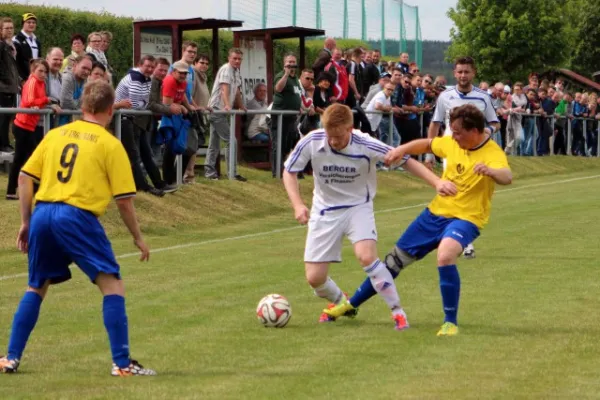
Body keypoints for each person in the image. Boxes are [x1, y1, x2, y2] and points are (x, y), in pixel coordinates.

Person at [0, 80, 155, 376]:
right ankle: (122, 364)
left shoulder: (55, 135)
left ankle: (11, 358)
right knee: (112, 284)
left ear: (82, 106)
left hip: (43, 213)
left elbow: (23, 178)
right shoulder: (110, 144)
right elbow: (124, 201)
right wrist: (138, 237)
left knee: (37, 285)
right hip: (77, 216)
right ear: (111, 110)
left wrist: (26, 222)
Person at [324, 104, 512, 336]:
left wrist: (491, 172)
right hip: (435, 214)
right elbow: (426, 144)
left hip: (467, 218)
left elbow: (507, 176)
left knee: (445, 255)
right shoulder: (452, 143)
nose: (453, 136)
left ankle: (450, 322)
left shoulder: (492, 153)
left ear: (474, 131)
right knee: (393, 262)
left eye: (458, 132)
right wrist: (401, 149)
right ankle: (351, 305)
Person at [282, 103, 445, 330]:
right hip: (324, 210)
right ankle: (342, 302)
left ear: (350, 129)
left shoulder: (366, 143)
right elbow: (289, 171)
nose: (333, 141)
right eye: (329, 136)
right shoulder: (312, 140)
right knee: (315, 278)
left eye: (338, 136)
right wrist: (298, 205)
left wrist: (437, 182)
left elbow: (406, 160)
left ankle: (397, 312)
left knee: (367, 257)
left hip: (358, 207)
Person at [424, 56, 500, 260]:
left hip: (475, 153)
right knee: (451, 192)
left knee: (467, 193)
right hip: (451, 151)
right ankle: (456, 239)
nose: (463, 75)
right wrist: (429, 154)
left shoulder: (483, 97)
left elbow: (495, 122)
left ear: (473, 73)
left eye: (467, 71)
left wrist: (488, 131)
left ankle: (460, 237)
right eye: (459, 72)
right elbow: (435, 123)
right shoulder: (445, 96)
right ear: (454, 73)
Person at [6, 59, 59, 200]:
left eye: (45, 72)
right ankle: (16, 190)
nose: (43, 74)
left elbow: (37, 103)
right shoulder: (32, 82)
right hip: (22, 126)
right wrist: (46, 100)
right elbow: (29, 101)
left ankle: (26, 189)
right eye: (40, 71)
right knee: (25, 158)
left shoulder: (41, 83)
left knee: (28, 158)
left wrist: (49, 104)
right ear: (33, 71)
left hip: (29, 127)